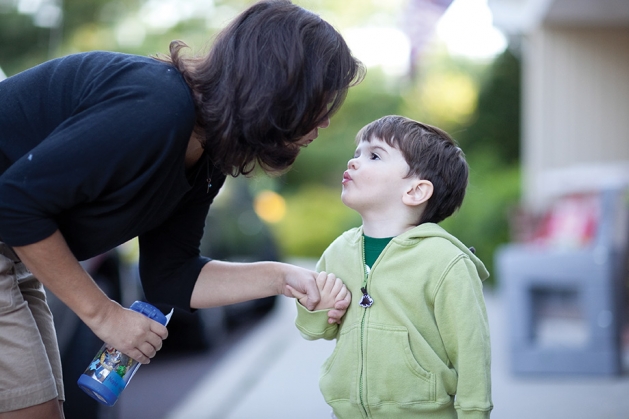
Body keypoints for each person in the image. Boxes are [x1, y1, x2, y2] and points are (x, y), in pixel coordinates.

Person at [0, 0, 364, 416]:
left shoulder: (207, 156)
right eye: (324, 100)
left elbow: (170, 277)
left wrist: (283, 278)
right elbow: (14, 202)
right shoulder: (156, 106)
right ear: (285, 88)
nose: (327, 120)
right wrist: (103, 314)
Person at [290, 115, 493, 418]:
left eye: (374, 155)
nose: (354, 161)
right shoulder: (339, 252)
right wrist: (318, 308)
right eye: (357, 152)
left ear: (414, 191)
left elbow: (471, 351)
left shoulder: (445, 261)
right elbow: (316, 330)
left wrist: (475, 413)